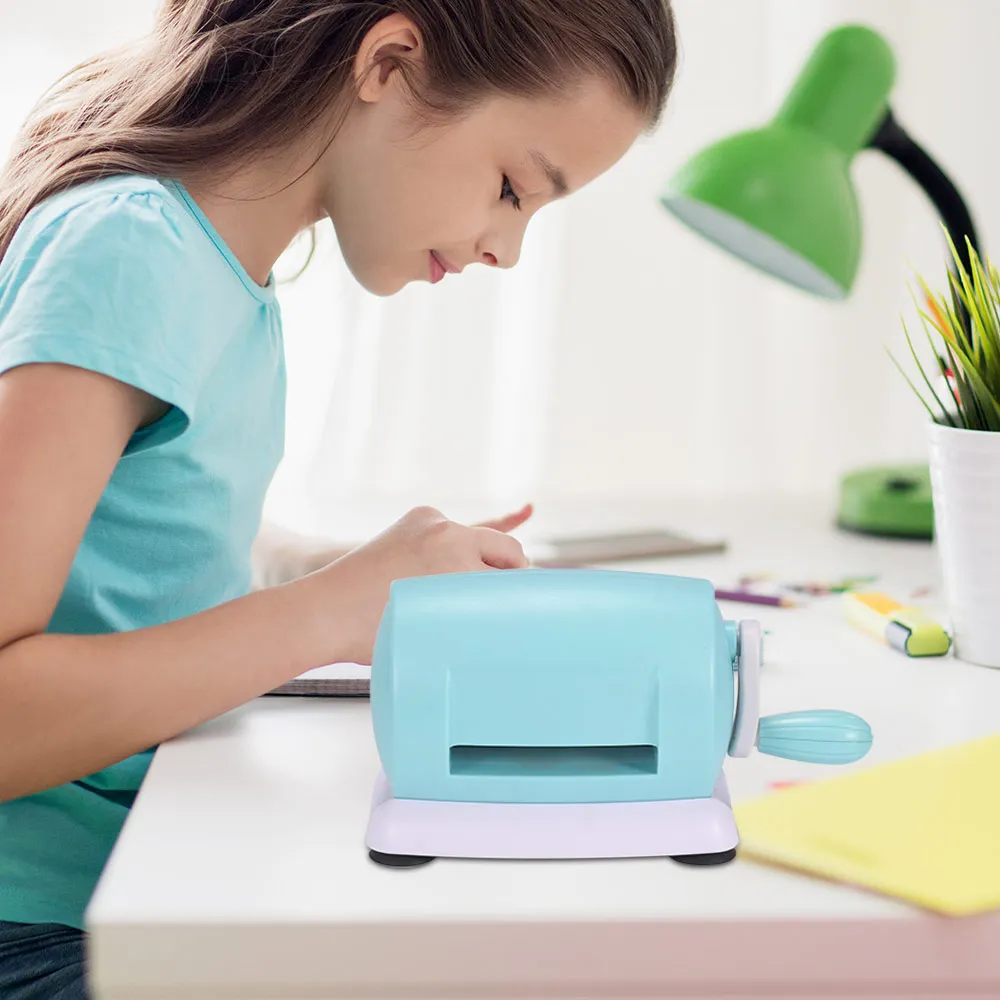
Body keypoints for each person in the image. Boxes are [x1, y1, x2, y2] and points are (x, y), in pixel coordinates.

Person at [0, 1, 677, 995]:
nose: (507, 250)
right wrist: (329, 611)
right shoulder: (131, 250)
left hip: (141, 878)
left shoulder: (219, 270)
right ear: (389, 63)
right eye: (511, 189)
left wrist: (323, 566)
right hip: (38, 928)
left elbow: (135, 535)